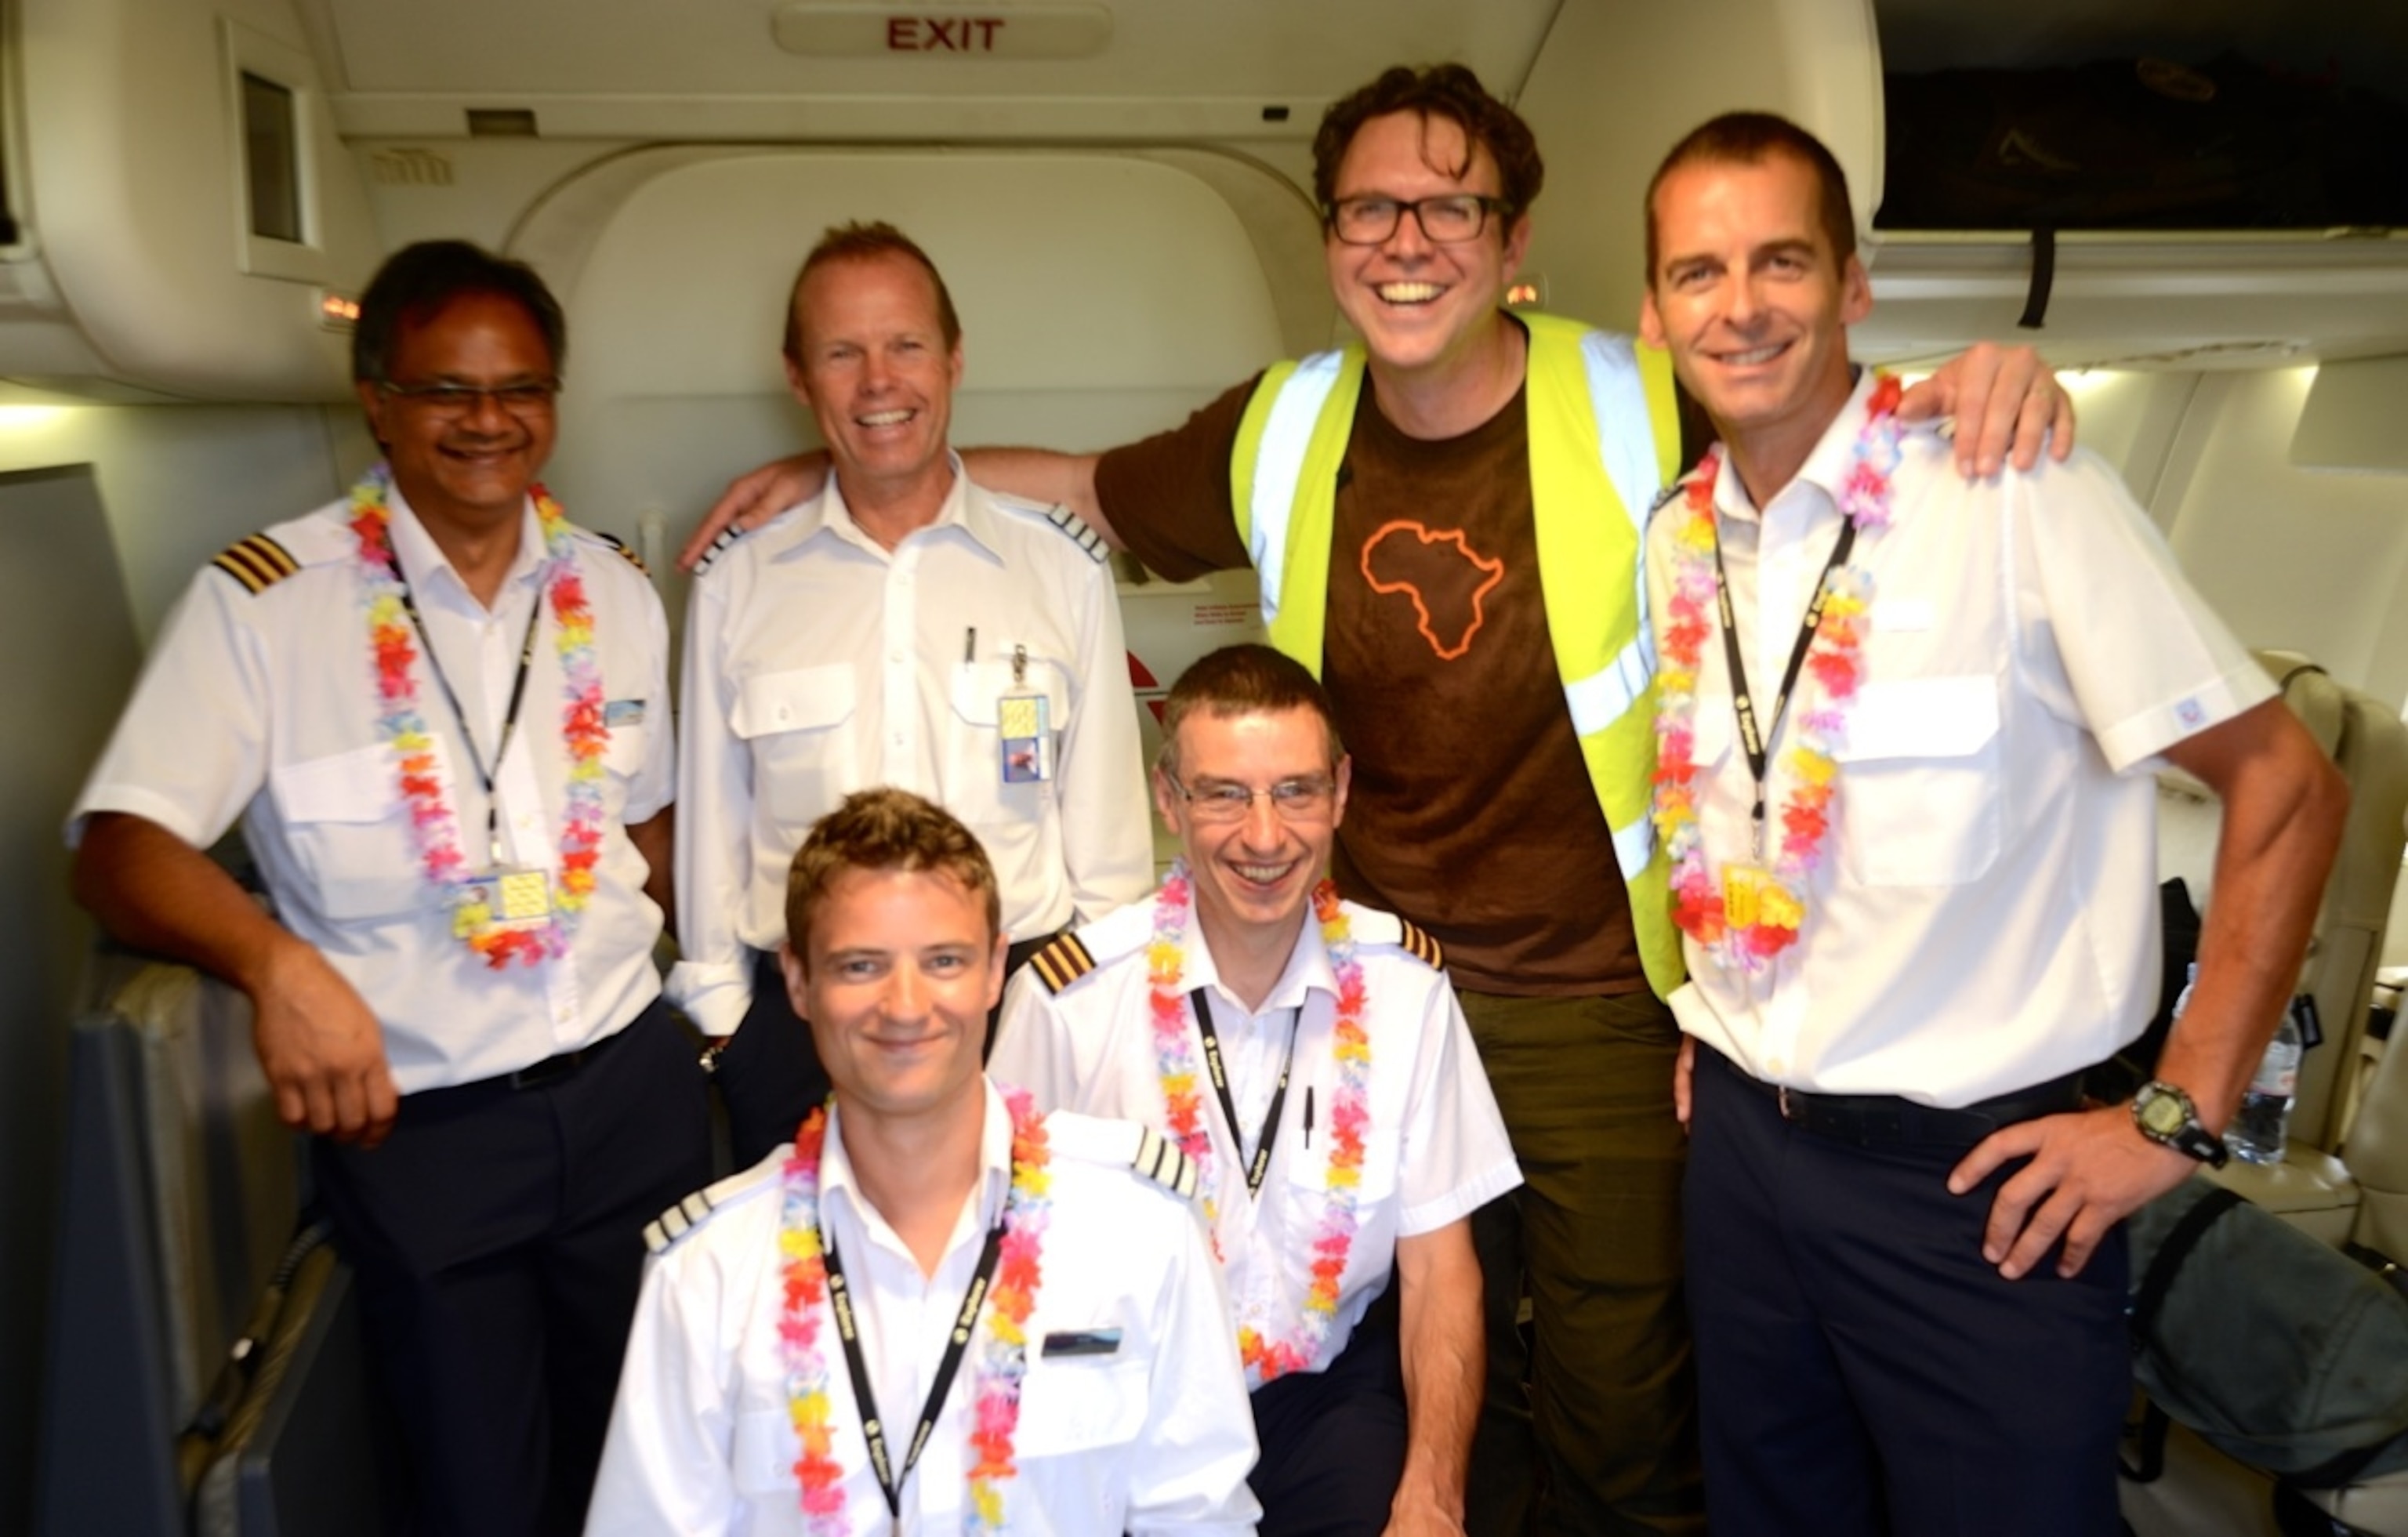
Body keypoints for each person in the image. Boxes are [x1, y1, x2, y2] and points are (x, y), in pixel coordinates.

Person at [681, 67, 2075, 1535]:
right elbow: (1087, 483)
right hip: (1369, 987)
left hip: (1592, 997)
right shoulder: (1285, 422)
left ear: (1511, 237)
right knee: (1419, 1369)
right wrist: (858, 464)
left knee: (1620, 1408)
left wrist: (1967, 384)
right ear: (1330, 237)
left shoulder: (1636, 393)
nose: (1406, 241)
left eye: (1449, 207)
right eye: (1369, 210)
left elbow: (1802, 404)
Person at [1637, 111, 2349, 1535]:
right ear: (1655, 312)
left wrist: (2179, 1116)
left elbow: (2287, 783)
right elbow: (1743, 810)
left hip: (1976, 1189)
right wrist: (1727, 1015)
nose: (1741, 305)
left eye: (1782, 260)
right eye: (1698, 272)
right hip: (1742, 1157)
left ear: (1853, 282)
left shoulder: (2015, 487)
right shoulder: (1676, 537)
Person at [69, 240, 710, 1536]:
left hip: (630, 1096)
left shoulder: (613, 591)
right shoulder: (269, 606)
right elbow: (119, 845)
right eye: (445, 390)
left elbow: (652, 828)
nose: (487, 420)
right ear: (378, 400)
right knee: (477, 1494)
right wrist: (278, 966)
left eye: (519, 387)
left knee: (660, 1469)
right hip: (424, 1132)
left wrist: (718, 1005)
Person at [587, 787, 1259, 1533]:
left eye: (944, 960)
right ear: (799, 980)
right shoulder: (706, 1273)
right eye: (860, 966)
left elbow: (1201, 1520)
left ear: (996, 967)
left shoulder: (1138, 1228)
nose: (905, 1006)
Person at [990, 644, 1520, 1536]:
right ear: (1170, 799)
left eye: (1296, 791)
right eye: (1225, 794)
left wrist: (1431, 1499)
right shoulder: (1068, 1003)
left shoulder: (1406, 989)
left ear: (1340, 792)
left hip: (1322, 1397)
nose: (1266, 836)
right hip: (1124, 1401)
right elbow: (1006, 1268)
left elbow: (1438, 1270)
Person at [675, 220, 1150, 1169]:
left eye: (906, 345)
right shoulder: (739, 579)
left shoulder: (1059, 568)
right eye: (842, 353)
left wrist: (1099, 1023)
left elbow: (1108, 842)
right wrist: (729, 1026)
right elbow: (713, 824)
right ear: (798, 377)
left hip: (1021, 1010)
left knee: (1024, 1261)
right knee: (813, 1267)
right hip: (803, 1023)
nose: (878, 380)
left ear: (954, 358)